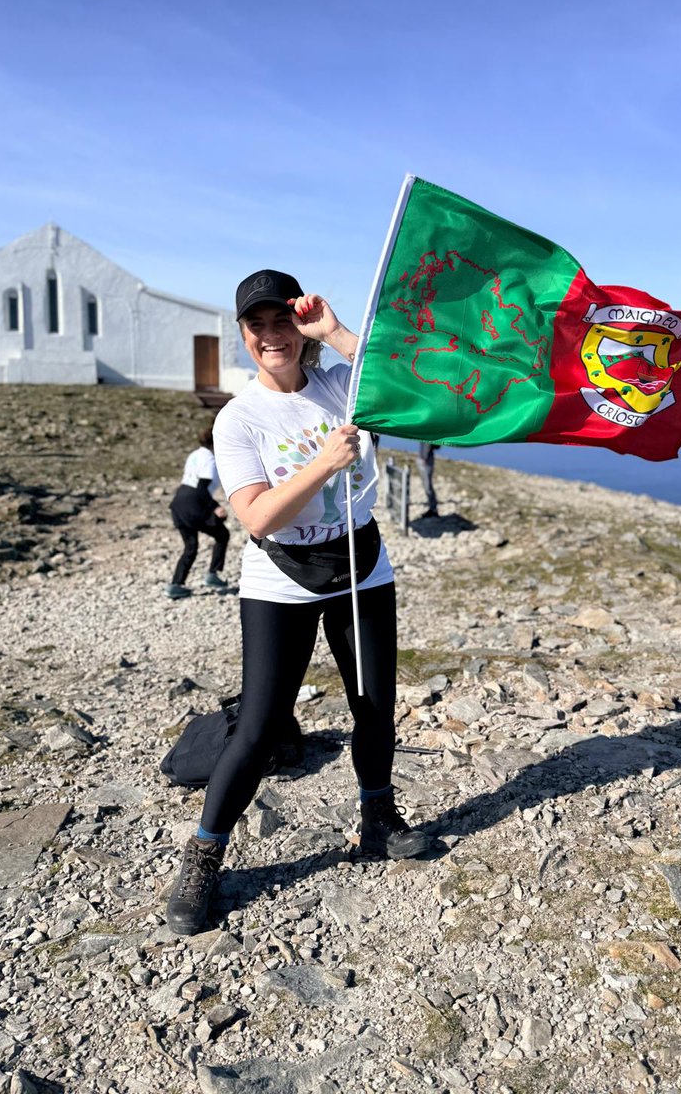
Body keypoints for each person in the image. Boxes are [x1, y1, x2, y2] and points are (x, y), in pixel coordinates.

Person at [165, 269, 431, 935]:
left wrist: (333, 331)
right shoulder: (239, 418)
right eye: (256, 325)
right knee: (259, 727)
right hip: (280, 579)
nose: (270, 335)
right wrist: (324, 464)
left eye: (281, 320)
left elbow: (410, 378)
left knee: (374, 705)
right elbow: (258, 517)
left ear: (298, 324)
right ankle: (203, 856)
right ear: (244, 336)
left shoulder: (341, 386)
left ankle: (378, 817)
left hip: (360, 565)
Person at [164, 428, 231, 599]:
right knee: (222, 534)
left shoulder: (194, 455)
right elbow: (201, 487)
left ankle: (175, 585)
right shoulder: (210, 459)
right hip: (194, 502)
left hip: (179, 501)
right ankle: (213, 574)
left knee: (190, 547)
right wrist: (215, 507)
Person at [417, 442, 439, 517]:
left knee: (428, 486)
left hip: (426, 460)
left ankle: (433, 509)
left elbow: (431, 445)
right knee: (426, 485)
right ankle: (432, 508)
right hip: (423, 458)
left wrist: (425, 457)